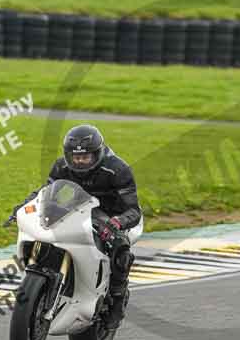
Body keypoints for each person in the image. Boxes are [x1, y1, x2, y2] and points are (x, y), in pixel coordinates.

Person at [9, 125, 142, 329]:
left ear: (97, 153)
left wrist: (116, 223)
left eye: (85, 157)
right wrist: (22, 206)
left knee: (120, 249)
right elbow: (44, 192)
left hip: (113, 215)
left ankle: (116, 299)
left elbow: (133, 210)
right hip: (77, 210)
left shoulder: (117, 169)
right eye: (74, 157)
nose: (79, 161)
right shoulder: (61, 166)